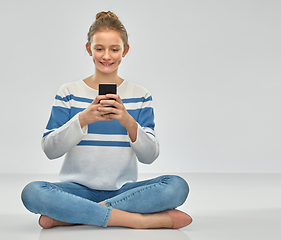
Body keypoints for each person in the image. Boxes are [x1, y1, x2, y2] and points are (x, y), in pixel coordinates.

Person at [21, 11, 192, 229]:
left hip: (124, 191)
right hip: (76, 190)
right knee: (32, 192)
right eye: (99, 48)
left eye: (114, 49)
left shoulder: (141, 95)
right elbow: (50, 150)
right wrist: (83, 119)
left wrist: (128, 121)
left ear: (125, 51)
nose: (106, 56)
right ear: (88, 49)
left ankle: (71, 215)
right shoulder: (68, 92)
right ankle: (136, 221)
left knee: (176, 186)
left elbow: (149, 157)